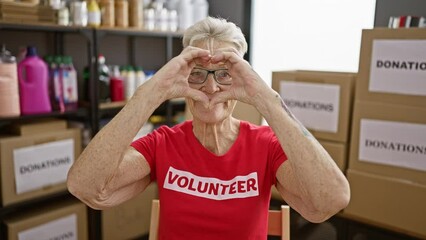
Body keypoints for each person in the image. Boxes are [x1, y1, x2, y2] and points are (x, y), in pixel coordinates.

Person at [67, 17, 350, 239]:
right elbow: (85, 187)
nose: (211, 87)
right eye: (198, 73)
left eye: (225, 74)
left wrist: (267, 99)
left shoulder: (264, 144)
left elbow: (330, 200)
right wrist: (150, 93)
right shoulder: (164, 143)